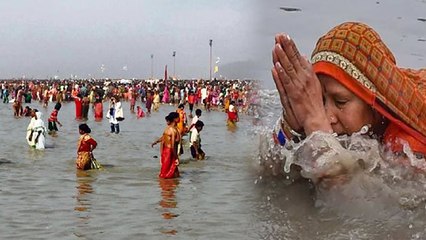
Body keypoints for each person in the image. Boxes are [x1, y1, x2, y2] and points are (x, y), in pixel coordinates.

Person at [271, 22, 426, 182]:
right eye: (319, 100)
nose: (328, 117)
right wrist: (292, 128)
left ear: (375, 104)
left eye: (340, 102)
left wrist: (315, 123)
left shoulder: (409, 150)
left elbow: (343, 202)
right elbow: (268, 176)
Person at [151, 112, 180, 179]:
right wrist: (176, 157)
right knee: (166, 174)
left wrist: (156, 141)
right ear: (175, 119)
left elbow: (163, 137)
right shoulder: (173, 130)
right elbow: (172, 145)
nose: (179, 119)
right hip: (170, 152)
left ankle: (173, 186)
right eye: (178, 117)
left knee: (174, 172)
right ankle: (165, 187)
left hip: (166, 151)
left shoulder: (167, 129)